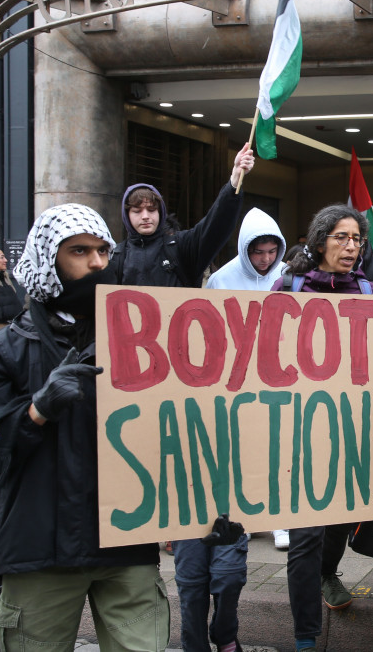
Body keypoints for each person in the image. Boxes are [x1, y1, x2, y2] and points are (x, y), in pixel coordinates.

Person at [0, 203, 169, 650]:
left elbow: (184, 432)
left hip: (127, 547)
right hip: (39, 552)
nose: (96, 262)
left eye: (103, 251)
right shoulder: (7, 350)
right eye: (80, 251)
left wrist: (214, 510)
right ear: (47, 259)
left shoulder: (143, 341)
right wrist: (36, 411)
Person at [167, 208, 289, 652]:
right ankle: (197, 643)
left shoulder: (286, 278)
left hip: (248, 435)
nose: (265, 257)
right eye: (258, 250)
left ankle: (226, 635)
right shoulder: (219, 281)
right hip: (195, 481)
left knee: (229, 575)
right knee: (190, 582)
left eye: (272, 250)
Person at [270, 204, 373, 651]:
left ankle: (326, 573)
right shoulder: (287, 288)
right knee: (304, 535)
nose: (351, 246)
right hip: (301, 432)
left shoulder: (371, 291)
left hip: (353, 430)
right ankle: (305, 634)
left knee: (339, 523)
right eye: (342, 237)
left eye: (357, 239)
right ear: (320, 242)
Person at [112, 142, 254, 288]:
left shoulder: (182, 246)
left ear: (161, 213)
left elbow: (215, 225)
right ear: (126, 216)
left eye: (152, 210)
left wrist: (235, 179)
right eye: (137, 211)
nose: (145, 216)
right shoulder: (116, 256)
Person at [0, 248, 26, 338]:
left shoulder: (4, 276)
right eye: (2, 258)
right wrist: (4, 312)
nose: (6, 260)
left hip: (10, 329)